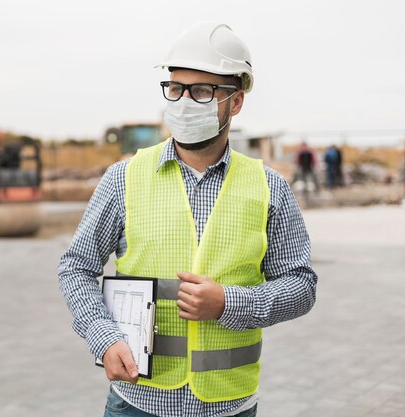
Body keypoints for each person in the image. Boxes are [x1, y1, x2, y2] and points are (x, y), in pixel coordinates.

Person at [58, 22, 317, 417]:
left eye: (201, 91)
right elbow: (75, 266)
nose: (182, 102)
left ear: (236, 101)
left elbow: (301, 286)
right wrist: (103, 337)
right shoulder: (124, 177)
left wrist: (230, 303)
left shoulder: (269, 187)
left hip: (228, 405)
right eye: (176, 89)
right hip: (137, 404)